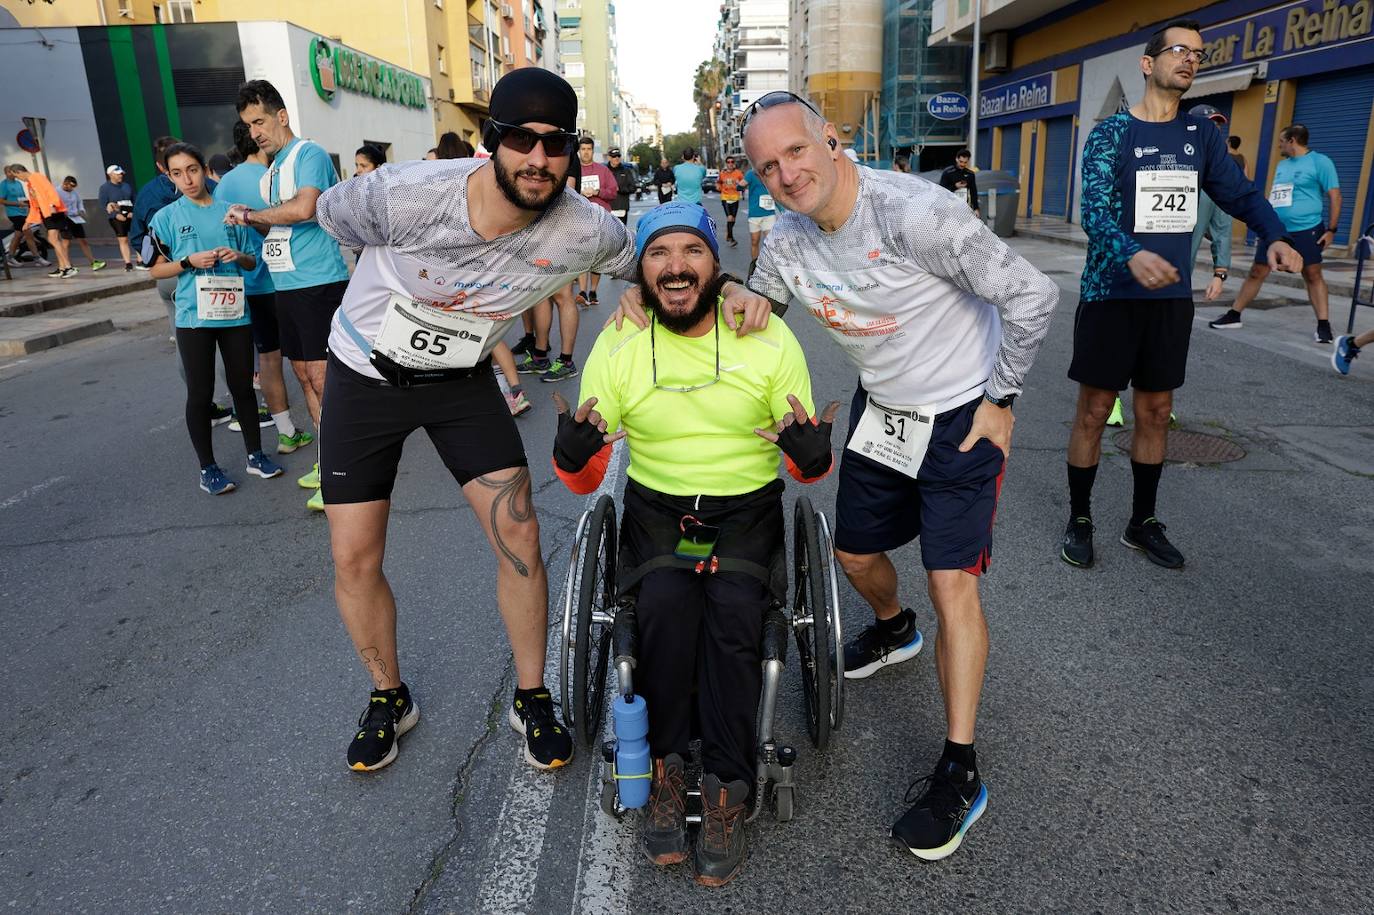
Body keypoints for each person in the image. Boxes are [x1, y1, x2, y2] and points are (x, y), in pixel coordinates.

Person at [619, 90, 1059, 861]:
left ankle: (960, 767)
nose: (786, 174)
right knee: (853, 555)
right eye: (767, 166)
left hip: (963, 411)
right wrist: (648, 291)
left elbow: (1031, 292)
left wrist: (1002, 400)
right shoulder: (787, 241)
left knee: (952, 578)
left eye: (796, 151)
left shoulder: (915, 214)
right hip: (883, 412)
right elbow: (750, 308)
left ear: (831, 138)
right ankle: (895, 628)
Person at [312, 68, 769, 776]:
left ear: (573, 153)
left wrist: (729, 287)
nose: (537, 158)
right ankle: (387, 695)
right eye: (520, 140)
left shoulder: (584, 227)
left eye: (555, 144)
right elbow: (329, 215)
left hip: (461, 377)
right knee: (354, 554)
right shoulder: (405, 196)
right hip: (366, 374)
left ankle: (533, 695)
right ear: (492, 141)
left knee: (519, 530)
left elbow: (650, 259)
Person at [552, 202, 837, 886]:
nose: (675, 266)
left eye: (691, 252)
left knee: (737, 614)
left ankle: (729, 786)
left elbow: (806, 469)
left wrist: (809, 455)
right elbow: (586, 472)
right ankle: (668, 765)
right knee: (661, 610)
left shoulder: (767, 340)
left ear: (717, 265)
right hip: (658, 504)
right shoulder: (620, 341)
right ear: (642, 271)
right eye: (659, 253)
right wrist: (573, 454)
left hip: (745, 504)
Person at [1063, 18, 1299, 574]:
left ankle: (1141, 521)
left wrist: (1276, 233)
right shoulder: (1112, 133)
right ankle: (1079, 517)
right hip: (1109, 293)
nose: (1190, 59)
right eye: (1178, 50)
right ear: (1149, 64)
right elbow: (1093, 209)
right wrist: (1130, 252)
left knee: (1157, 409)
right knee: (1096, 410)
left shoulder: (1201, 137)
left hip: (1168, 299)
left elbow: (1238, 193)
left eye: (1198, 53)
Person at [226, 78, 352, 511]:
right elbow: (275, 226)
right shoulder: (272, 170)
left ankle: (341, 470)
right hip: (286, 285)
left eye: (260, 121)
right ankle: (325, 457)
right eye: (248, 125)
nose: (255, 131)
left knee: (323, 379)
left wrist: (254, 213)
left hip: (318, 283)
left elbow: (305, 209)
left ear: (281, 115)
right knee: (303, 377)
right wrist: (247, 220)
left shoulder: (307, 154)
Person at [147, 142, 285, 494]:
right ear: (169, 176)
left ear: (203, 169)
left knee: (243, 388)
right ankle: (207, 469)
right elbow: (154, 271)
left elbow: (254, 261)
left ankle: (256, 456)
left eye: (192, 170)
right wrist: (188, 262)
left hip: (234, 313)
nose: (187, 179)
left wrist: (237, 255)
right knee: (200, 392)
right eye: (177, 173)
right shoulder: (166, 218)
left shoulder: (232, 212)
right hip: (194, 318)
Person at [1107, 103, 1233, 429]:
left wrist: (1221, 271)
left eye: (1218, 127)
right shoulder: (1156, 159)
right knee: (1115, 356)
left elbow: (1222, 226)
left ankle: (1154, 402)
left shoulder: (1214, 175)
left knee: (1162, 366)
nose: (1214, 132)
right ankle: (1113, 403)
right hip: (1125, 280)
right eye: (1209, 125)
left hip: (1173, 285)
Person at [214, 119, 313, 454]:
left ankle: (286, 432)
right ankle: (331, 439)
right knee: (311, 362)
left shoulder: (223, 184)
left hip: (250, 284)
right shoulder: (272, 176)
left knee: (268, 360)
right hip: (287, 279)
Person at [1208, 123, 1340, 342]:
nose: (1278, 144)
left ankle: (1323, 325)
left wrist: (1332, 230)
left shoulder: (1320, 162)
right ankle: (1234, 314)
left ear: (1292, 141)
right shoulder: (1282, 165)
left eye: (1281, 140)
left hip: (1307, 229)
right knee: (1256, 272)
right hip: (1276, 231)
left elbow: (1335, 196)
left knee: (1313, 275)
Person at [573, 135, 618, 311]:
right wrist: (579, 193)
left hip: (601, 219)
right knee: (584, 256)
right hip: (580, 219)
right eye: (583, 149)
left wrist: (597, 191)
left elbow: (613, 192)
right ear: (579, 151)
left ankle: (593, 291)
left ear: (593, 150)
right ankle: (582, 292)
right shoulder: (574, 171)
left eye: (589, 149)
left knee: (597, 258)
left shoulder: (603, 170)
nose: (586, 152)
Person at [13, 164, 78, 278]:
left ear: (19, 172)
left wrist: (52, 204)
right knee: (54, 240)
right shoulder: (30, 184)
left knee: (52, 239)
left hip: (53, 211)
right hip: (46, 213)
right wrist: (28, 221)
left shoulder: (37, 177)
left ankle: (68, 267)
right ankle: (62, 267)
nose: (18, 179)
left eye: (17, 176)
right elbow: (34, 205)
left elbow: (49, 190)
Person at [56, 176, 106, 271]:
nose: (72, 189)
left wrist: (81, 210)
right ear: (64, 184)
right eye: (70, 186)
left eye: (73, 187)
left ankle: (93, 261)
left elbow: (79, 202)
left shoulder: (74, 192)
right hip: (65, 218)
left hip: (76, 218)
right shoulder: (57, 192)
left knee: (82, 240)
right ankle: (67, 264)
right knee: (66, 242)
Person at [3, 165, 49, 267]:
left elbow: (23, 196)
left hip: (23, 212)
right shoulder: (4, 185)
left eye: (13, 172)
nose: (12, 174)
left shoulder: (19, 183)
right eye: (9, 172)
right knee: (28, 233)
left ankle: (10, 257)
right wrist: (18, 204)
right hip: (14, 213)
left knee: (18, 235)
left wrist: (27, 203)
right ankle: (37, 258)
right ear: (6, 173)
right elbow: (1, 200)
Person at [98, 165, 138, 271]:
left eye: (121, 173)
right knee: (123, 239)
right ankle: (128, 263)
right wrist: (115, 215)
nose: (121, 175)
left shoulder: (126, 186)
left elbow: (135, 200)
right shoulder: (105, 188)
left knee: (137, 236)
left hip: (130, 215)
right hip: (117, 217)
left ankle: (141, 261)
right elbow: (103, 205)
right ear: (110, 174)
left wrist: (133, 212)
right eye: (118, 173)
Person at [741, 162, 775, 275]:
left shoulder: (770, 172)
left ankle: (770, 266)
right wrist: (739, 185)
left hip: (769, 213)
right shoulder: (750, 174)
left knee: (769, 241)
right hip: (754, 213)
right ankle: (754, 265)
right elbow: (740, 185)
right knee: (755, 241)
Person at [938, 149, 981, 219]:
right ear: (956, 159)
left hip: (963, 207)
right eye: (961, 161)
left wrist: (976, 208)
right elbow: (941, 190)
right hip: (949, 207)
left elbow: (973, 192)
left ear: (968, 161)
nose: (962, 164)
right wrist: (955, 186)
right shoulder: (948, 172)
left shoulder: (970, 174)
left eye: (965, 162)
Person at [716, 155, 745, 247]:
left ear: (734, 163)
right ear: (726, 164)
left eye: (732, 162)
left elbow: (744, 184)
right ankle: (731, 238)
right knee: (729, 218)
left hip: (735, 198)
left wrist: (739, 184)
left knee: (733, 220)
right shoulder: (722, 173)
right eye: (728, 162)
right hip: (725, 197)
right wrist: (718, 187)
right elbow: (718, 182)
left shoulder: (738, 173)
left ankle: (728, 232)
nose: (730, 164)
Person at [606, 147, 636, 225]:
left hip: (621, 208)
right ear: (609, 157)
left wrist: (620, 189)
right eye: (614, 156)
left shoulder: (626, 171)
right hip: (607, 208)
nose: (616, 158)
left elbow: (633, 188)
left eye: (618, 156)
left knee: (621, 233)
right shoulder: (604, 171)